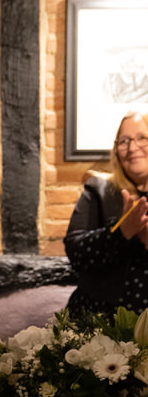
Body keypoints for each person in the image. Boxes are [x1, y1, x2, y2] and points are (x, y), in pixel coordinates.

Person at [64, 109, 148, 317]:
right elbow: (76, 252)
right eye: (124, 141)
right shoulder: (98, 189)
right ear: (116, 150)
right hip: (97, 319)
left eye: (142, 138)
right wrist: (120, 233)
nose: (132, 148)